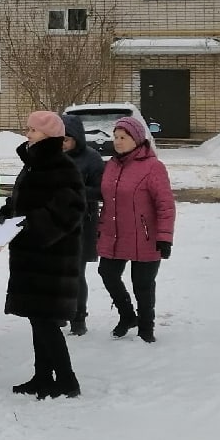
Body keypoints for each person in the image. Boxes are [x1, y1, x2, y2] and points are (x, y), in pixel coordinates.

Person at [0, 111, 86, 399]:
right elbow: (22, 202)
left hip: (51, 257)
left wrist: (30, 225)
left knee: (46, 321)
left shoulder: (62, 167)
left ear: (48, 136)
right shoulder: (34, 165)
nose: (27, 135)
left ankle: (67, 380)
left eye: (33, 131)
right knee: (38, 318)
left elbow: (69, 212)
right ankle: (43, 376)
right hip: (32, 257)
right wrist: (8, 214)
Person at [97, 116, 176, 342]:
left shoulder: (153, 167)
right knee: (108, 274)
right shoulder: (112, 165)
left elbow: (165, 205)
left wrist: (165, 237)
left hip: (146, 236)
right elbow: (107, 199)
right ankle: (127, 315)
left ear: (137, 139)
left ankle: (146, 328)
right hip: (115, 234)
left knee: (142, 285)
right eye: (116, 137)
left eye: (124, 137)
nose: (118, 142)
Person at [60, 113, 106, 336]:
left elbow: (101, 191)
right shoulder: (51, 156)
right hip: (54, 223)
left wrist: (76, 191)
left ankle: (79, 317)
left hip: (81, 224)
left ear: (77, 138)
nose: (62, 144)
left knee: (76, 272)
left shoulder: (92, 158)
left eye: (66, 139)